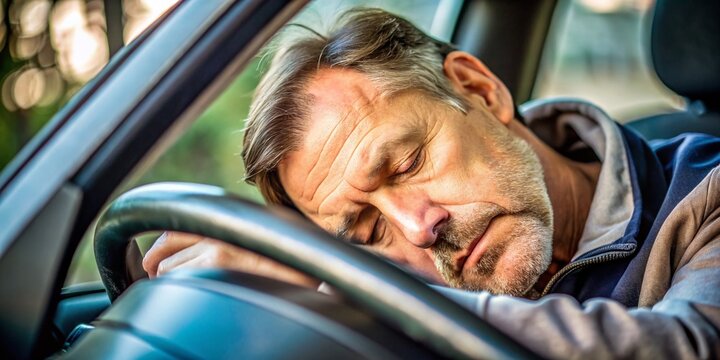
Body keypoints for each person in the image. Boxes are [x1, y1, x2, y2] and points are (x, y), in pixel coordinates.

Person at [142, 8, 720, 358]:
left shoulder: (706, 191)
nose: (418, 229)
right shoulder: (403, 275)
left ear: (480, 89)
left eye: (408, 163)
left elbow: (690, 348)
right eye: (367, 232)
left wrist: (358, 289)